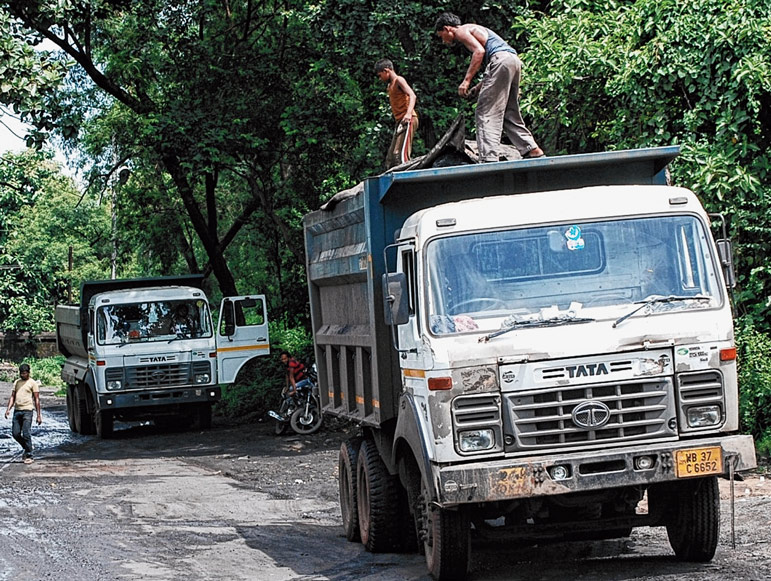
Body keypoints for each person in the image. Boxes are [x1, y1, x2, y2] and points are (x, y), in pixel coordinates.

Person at [434, 13, 545, 163]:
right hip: (512, 60)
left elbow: (479, 52)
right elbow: (493, 68)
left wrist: (466, 81)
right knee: (508, 110)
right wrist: (478, 88)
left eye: (442, 37)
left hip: (501, 60)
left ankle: (488, 158)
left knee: (485, 111)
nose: (444, 41)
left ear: (448, 29)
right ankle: (532, 149)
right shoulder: (476, 29)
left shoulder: (461, 30)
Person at [375, 58, 419, 169]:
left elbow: (412, 95)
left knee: (399, 154)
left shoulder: (399, 80)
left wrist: (408, 114)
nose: (380, 79)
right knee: (391, 158)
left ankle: (408, 178)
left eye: (380, 75)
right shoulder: (389, 86)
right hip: (400, 121)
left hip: (408, 119)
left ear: (386, 71)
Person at [4, 363, 42, 464]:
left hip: (28, 411)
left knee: (26, 433)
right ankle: (27, 447)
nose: (23, 375)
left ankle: (29, 455)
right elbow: (13, 396)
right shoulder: (17, 382)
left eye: (25, 373)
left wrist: (38, 415)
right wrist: (8, 409)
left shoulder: (33, 383)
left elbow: (37, 399)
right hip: (17, 411)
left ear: (28, 373)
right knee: (15, 433)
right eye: (21, 374)